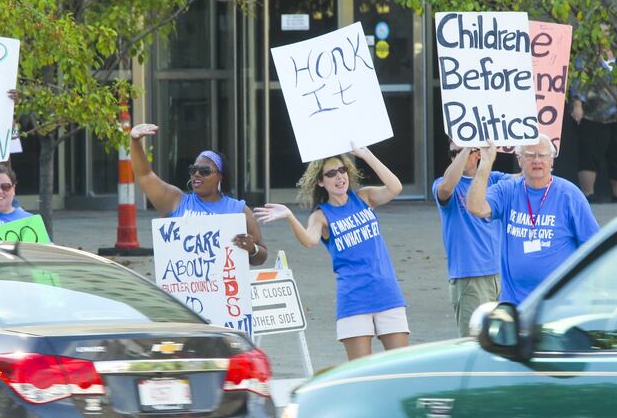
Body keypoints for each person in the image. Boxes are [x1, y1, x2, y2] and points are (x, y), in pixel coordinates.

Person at [254, 144, 408, 360]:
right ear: (320, 181)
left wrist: (366, 154)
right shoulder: (321, 216)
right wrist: (290, 216)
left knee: (401, 367)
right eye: (331, 173)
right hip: (354, 298)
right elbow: (309, 241)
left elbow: (395, 188)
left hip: (387, 291)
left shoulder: (363, 198)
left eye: (342, 170)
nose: (339, 176)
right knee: (360, 374)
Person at [466, 135, 600, 305]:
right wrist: (485, 164)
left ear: (551, 160)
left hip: (559, 304)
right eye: (530, 155)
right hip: (515, 304)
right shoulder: (507, 190)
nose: (537, 160)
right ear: (520, 160)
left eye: (542, 155)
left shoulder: (569, 195)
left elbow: (593, 244)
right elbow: (475, 207)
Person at [129, 123, 268, 266]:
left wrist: (252, 249)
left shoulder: (239, 210)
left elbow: (261, 256)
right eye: (193, 169)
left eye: (205, 171)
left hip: (224, 285)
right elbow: (145, 175)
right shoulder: (176, 200)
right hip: (182, 285)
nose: (197, 174)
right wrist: (135, 142)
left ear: (220, 177)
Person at [433, 142, 512, 337]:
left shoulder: (494, 179)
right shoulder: (443, 183)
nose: (456, 157)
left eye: (461, 152)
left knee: (505, 340)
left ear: (478, 154)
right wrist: (467, 147)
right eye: (453, 153)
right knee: (475, 341)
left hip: (501, 273)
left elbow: (524, 179)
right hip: (470, 275)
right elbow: (446, 187)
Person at [570, 24, 617, 202]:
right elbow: (578, 81)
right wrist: (577, 104)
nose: (604, 36)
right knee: (590, 155)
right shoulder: (586, 57)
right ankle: (588, 193)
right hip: (594, 113)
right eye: (601, 31)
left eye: (607, 31)